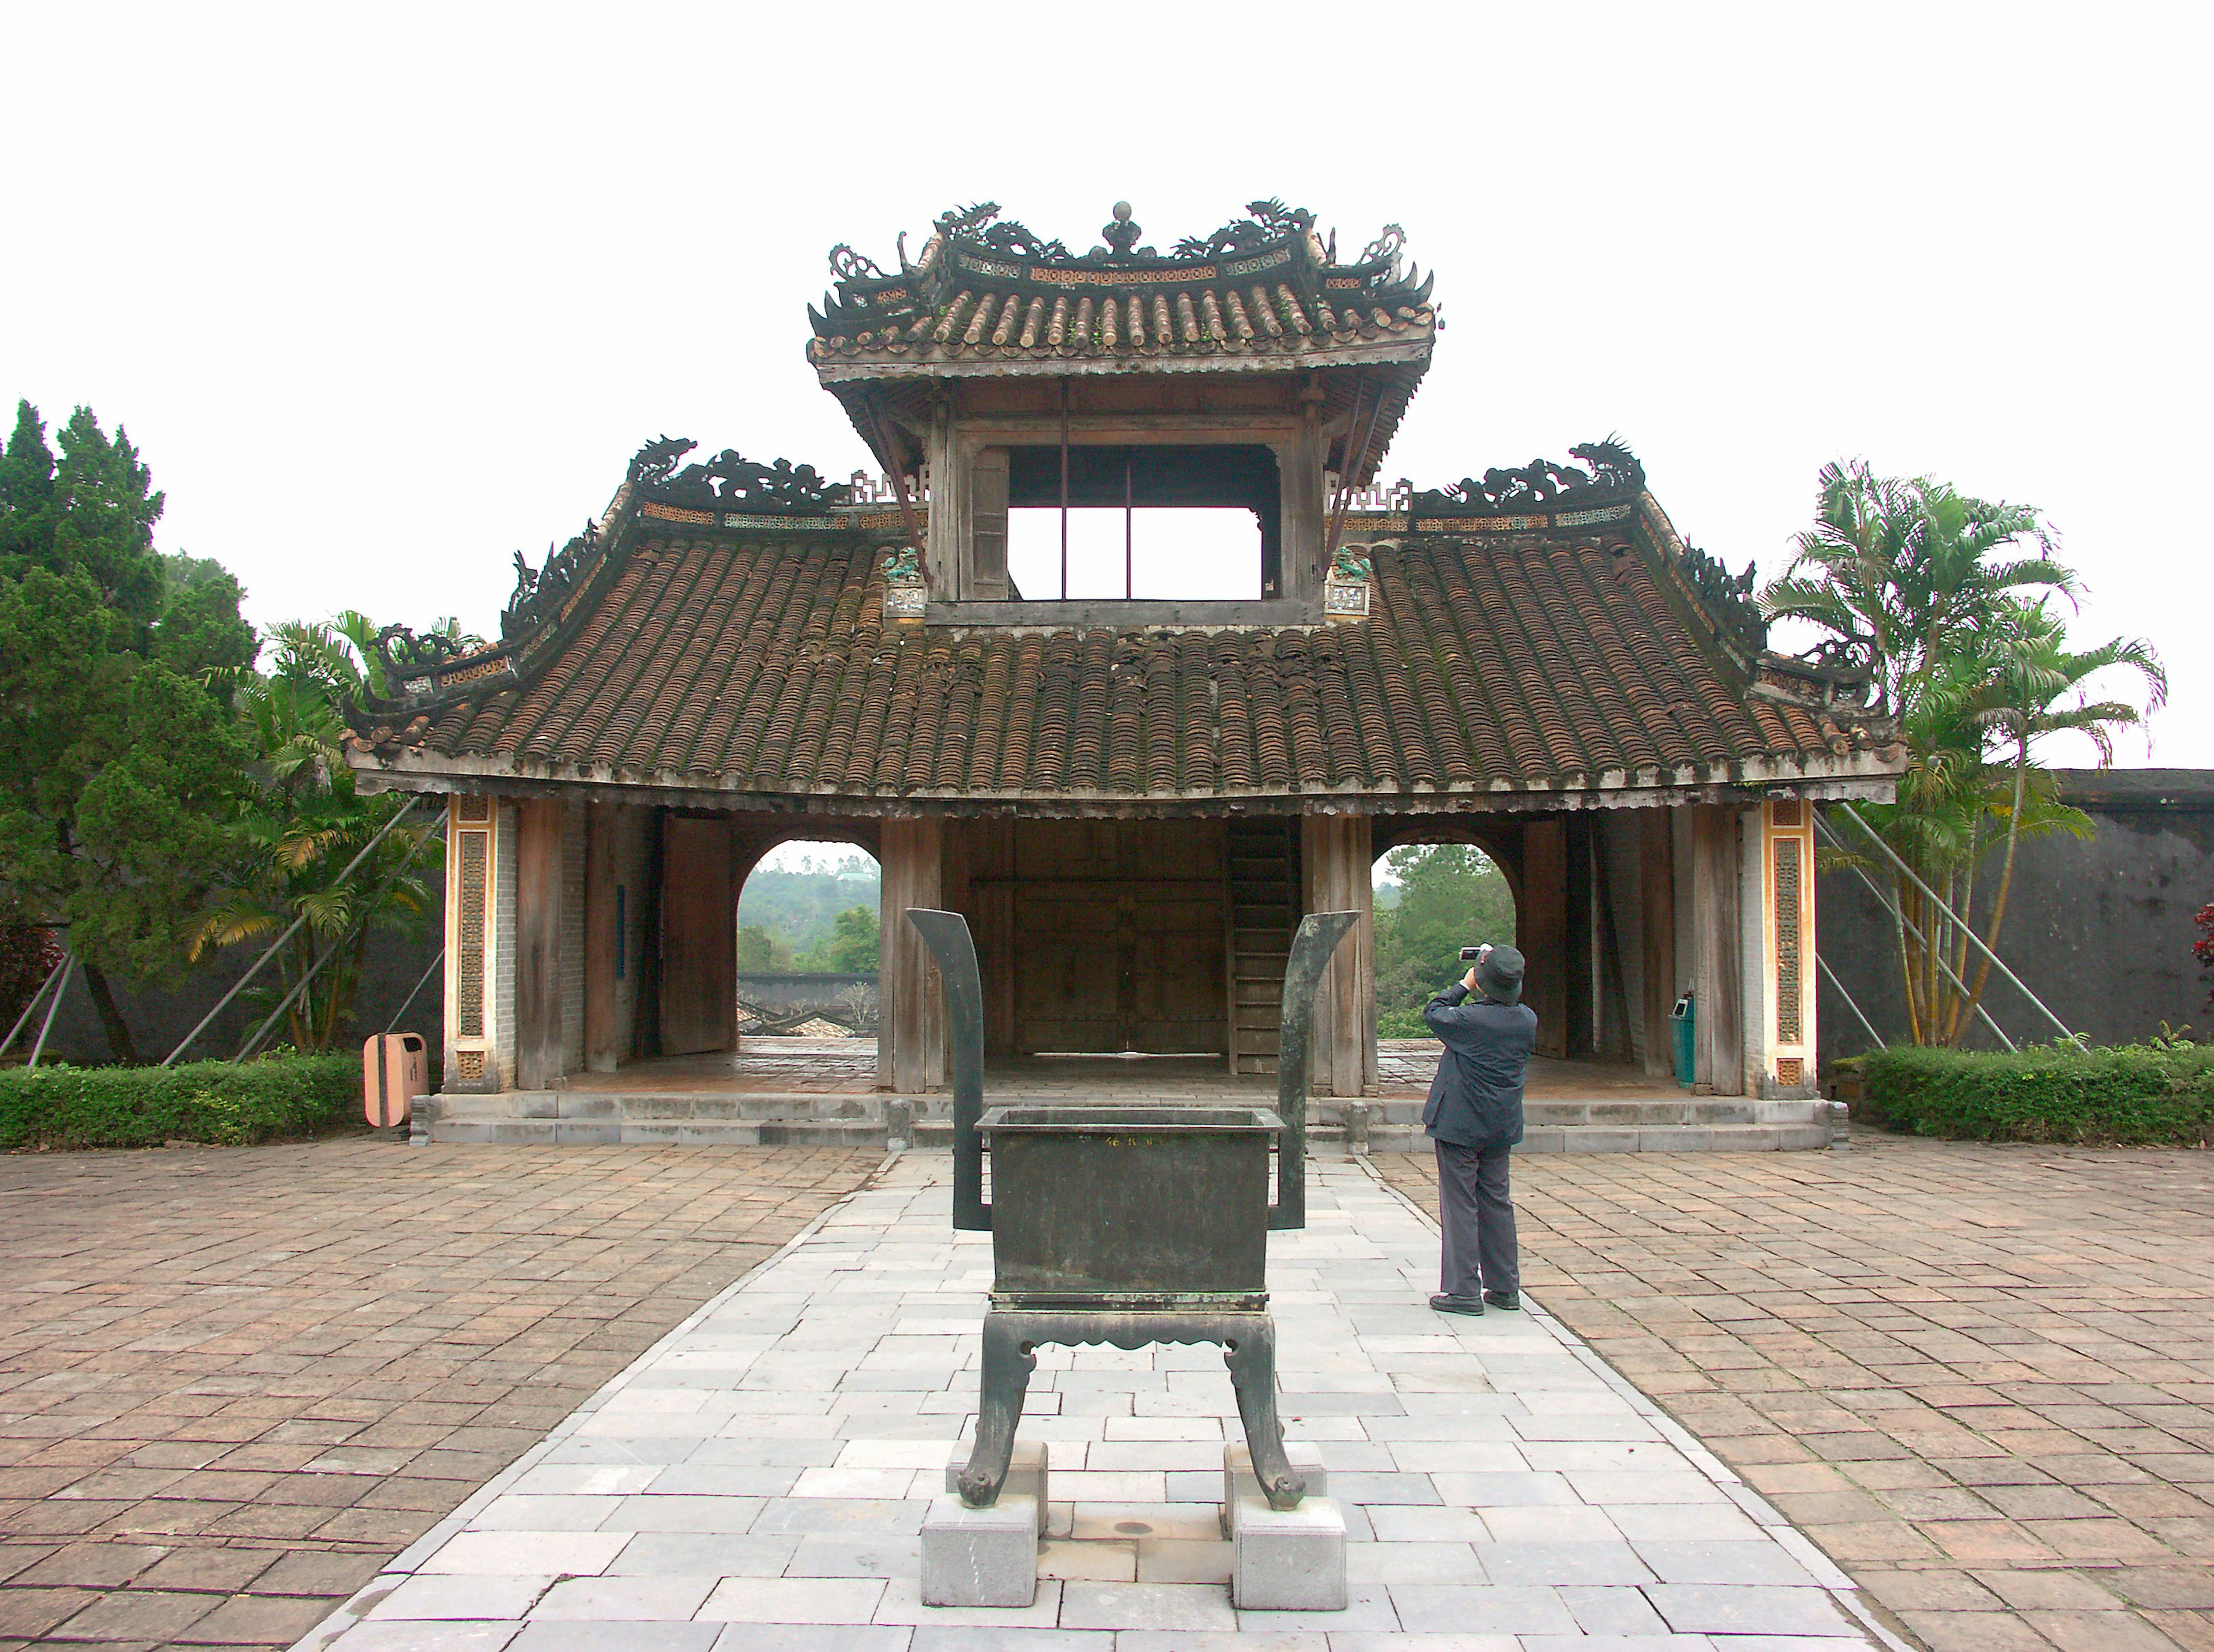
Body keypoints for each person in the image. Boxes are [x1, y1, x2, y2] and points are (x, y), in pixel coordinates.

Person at [1420, 943, 1537, 1315]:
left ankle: (1463, 1290)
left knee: (1461, 1204)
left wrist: (1466, 982)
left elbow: (1434, 1011)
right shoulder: (1526, 1020)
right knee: (1497, 1203)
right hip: (1500, 1126)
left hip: (1460, 1125)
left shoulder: (1470, 1021)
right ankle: (1505, 1287)